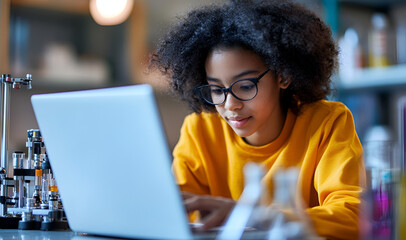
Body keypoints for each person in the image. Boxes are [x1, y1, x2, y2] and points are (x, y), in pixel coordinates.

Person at [151, 0, 366, 239]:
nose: (230, 104)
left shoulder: (327, 123)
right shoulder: (199, 130)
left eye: (245, 86)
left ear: (283, 75)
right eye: (217, 89)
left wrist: (254, 216)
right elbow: (174, 214)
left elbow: (355, 215)